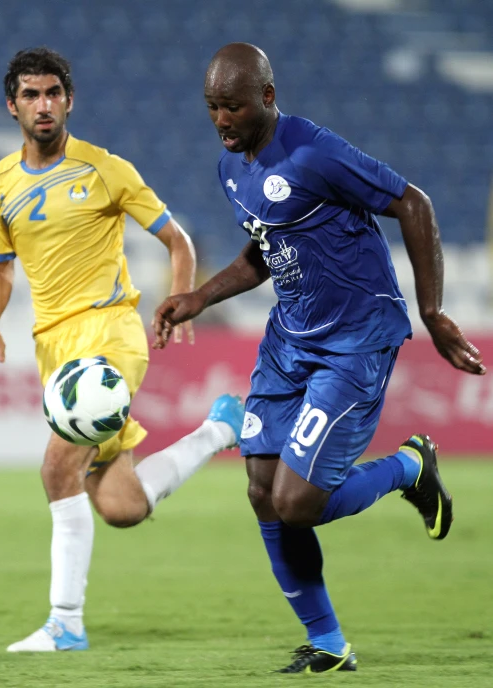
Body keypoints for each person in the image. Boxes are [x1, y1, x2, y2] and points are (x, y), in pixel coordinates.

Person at [153, 42, 487, 674]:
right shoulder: (231, 170)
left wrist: (434, 311)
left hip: (355, 341)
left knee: (298, 501)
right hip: (291, 338)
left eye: (233, 106)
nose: (221, 119)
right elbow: (265, 250)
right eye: (211, 107)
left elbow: (413, 203)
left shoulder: (312, 152)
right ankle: (330, 645)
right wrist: (199, 295)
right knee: (260, 491)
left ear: (268, 99)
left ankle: (409, 469)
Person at [0, 47, 244, 653]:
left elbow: (178, 241)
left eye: (53, 93)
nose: (44, 105)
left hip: (110, 333)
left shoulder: (105, 170)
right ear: (12, 106)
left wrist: (180, 300)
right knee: (120, 506)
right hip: (54, 347)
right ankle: (223, 429)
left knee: (54, 467)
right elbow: (0, 269)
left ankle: (65, 622)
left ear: (70, 100)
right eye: (31, 95)